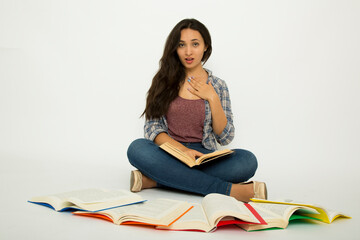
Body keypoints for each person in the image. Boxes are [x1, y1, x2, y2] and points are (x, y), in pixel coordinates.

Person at [127, 18, 267, 202]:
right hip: (170, 154)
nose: (188, 51)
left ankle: (157, 181)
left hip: (204, 158)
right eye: (181, 45)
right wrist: (182, 151)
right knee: (137, 148)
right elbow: (152, 128)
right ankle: (227, 190)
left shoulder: (218, 86)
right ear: (175, 49)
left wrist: (212, 97)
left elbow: (225, 137)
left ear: (205, 47)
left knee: (247, 161)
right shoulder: (163, 80)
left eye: (195, 44)